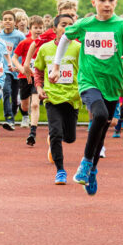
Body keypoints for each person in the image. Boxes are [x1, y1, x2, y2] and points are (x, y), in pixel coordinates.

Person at [51, 0, 123, 196]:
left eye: (111, 0)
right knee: (100, 115)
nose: (107, 4)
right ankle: (85, 164)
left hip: (112, 85)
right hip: (89, 81)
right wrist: (56, 65)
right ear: (93, 2)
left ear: (116, 1)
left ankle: (93, 168)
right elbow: (65, 37)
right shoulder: (85, 24)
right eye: (102, 0)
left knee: (103, 128)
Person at [33, 14, 81, 184]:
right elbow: (38, 70)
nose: (67, 28)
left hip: (72, 97)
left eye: (70, 25)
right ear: (54, 29)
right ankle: (60, 170)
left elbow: (85, 71)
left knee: (69, 138)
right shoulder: (45, 49)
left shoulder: (78, 48)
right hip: (52, 96)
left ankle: (57, 138)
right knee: (55, 132)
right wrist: (39, 88)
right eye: (63, 24)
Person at [13, 15, 45, 143]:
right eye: (36, 28)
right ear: (30, 28)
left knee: (35, 104)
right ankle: (25, 115)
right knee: (25, 105)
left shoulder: (45, 43)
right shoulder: (25, 42)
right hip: (24, 77)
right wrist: (21, 69)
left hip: (38, 78)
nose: (38, 30)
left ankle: (33, 132)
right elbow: (15, 58)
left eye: (41, 28)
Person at [0, 10, 27, 125]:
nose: (7, 21)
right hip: (4, 69)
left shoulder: (19, 35)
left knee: (15, 97)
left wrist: (21, 66)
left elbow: (25, 51)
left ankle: (13, 111)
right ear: (2, 22)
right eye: (5, 19)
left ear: (15, 22)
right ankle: (8, 117)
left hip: (16, 69)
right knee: (6, 91)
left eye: (10, 19)